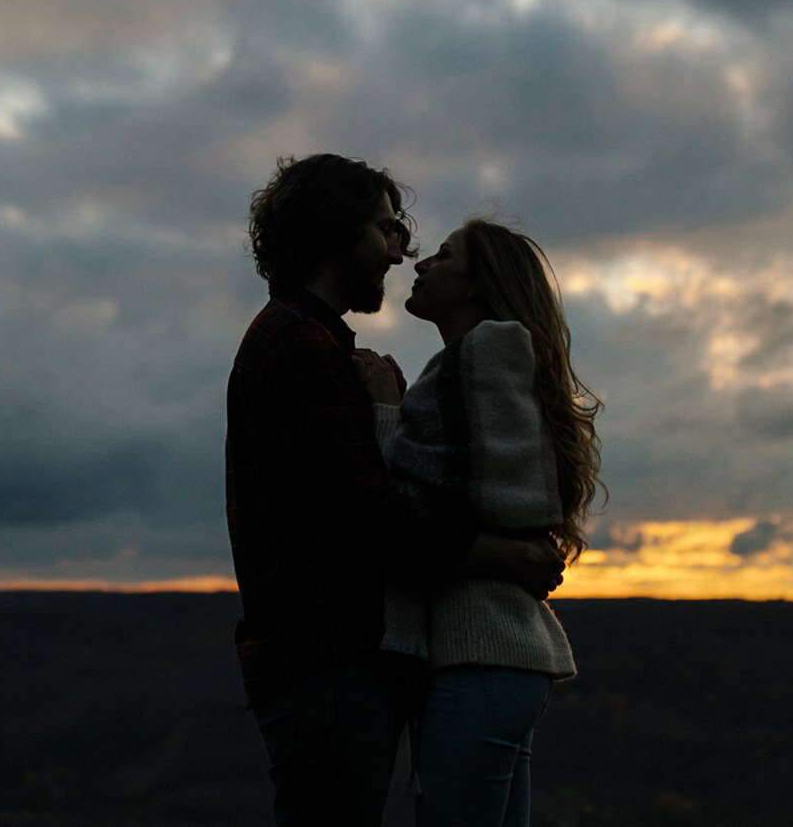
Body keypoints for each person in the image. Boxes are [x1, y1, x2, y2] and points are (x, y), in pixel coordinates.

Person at [226, 156, 565, 827]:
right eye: (386, 230)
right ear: (335, 231)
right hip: (327, 659)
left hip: (340, 660)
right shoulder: (299, 347)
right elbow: (367, 511)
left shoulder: (317, 345)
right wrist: (507, 557)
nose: (399, 251)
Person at [356, 218, 604, 827]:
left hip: (480, 656)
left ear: (477, 283)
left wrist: (385, 412)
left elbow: (428, 498)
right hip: (500, 661)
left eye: (442, 257)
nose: (420, 265)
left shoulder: (488, 350)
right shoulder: (471, 367)